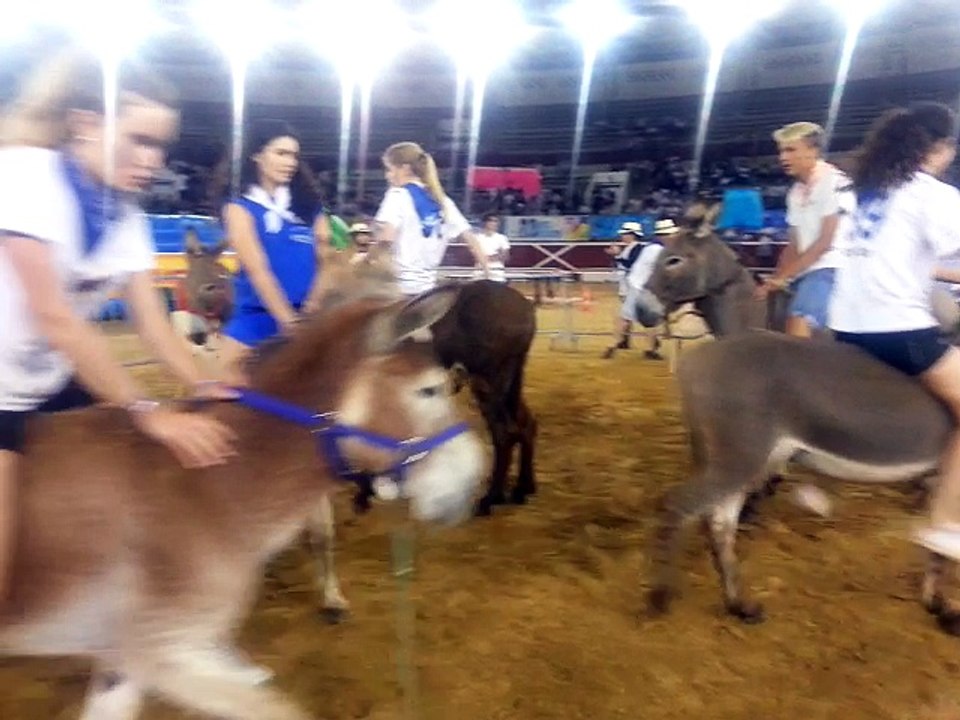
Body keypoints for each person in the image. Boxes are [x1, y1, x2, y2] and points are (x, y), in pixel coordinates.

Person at [0, 49, 236, 598]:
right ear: (85, 125)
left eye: (161, 146)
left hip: (44, 380)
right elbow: (56, 318)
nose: (154, 160)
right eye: (141, 140)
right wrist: (147, 411)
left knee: (131, 472)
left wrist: (204, 382)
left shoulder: (126, 217)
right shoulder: (23, 177)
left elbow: (153, 327)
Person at [827, 102, 960, 558]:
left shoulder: (861, 189)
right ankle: (946, 523)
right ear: (940, 148)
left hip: (844, 324)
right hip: (897, 329)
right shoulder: (932, 194)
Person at [218, 120, 330, 381]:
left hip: (310, 318)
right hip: (257, 319)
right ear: (257, 154)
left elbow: (328, 263)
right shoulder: (239, 209)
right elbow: (258, 271)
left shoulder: (310, 207)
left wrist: (311, 309)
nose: (291, 162)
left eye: (294, 156)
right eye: (281, 153)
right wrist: (289, 324)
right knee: (222, 389)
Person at [756, 121, 853, 336]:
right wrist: (774, 279)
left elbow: (824, 243)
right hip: (810, 271)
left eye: (790, 150)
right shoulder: (795, 193)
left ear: (813, 150)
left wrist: (784, 278)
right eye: (781, 151)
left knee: (799, 325)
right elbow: (794, 245)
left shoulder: (835, 183)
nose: (783, 158)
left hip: (835, 267)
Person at [374, 142, 489, 296]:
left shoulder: (397, 195)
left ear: (405, 168)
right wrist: (488, 273)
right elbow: (472, 241)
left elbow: (386, 239)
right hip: (428, 289)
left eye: (390, 169)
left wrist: (366, 259)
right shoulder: (443, 201)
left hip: (398, 287)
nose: (387, 175)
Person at [603, 219, 678, 360]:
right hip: (645, 288)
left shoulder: (650, 248)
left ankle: (612, 345)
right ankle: (649, 349)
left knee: (626, 317)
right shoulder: (659, 250)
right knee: (650, 320)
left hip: (635, 285)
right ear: (666, 235)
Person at [602, 221, 645, 357]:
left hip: (633, 285)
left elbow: (631, 264)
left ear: (633, 235)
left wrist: (617, 255)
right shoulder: (629, 248)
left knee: (625, 315)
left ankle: (616, 343)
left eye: (625, 234)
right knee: (629, 315)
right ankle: (625, 340)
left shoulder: (637, 248)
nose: (623, 236)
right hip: (626, 285)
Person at [474, 213, 510, 282]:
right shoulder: (477, 237)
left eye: (496, 221)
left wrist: (489, 258)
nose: (493, 223)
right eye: (491, 221)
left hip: (496, 271)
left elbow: (506, 255)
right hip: (480, 270)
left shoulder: (501, 238)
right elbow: (474, 254)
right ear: (485, 222)